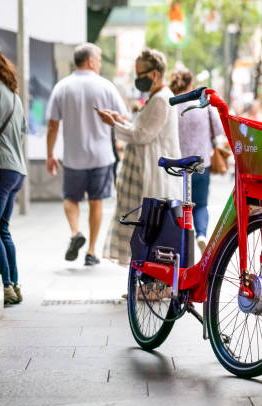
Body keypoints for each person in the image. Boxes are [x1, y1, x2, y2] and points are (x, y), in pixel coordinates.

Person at [98, 48, 182, 267]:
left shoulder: (162, 100)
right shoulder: (157, 98)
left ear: (154, 74)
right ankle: (145, 279)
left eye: (140, 73)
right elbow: (140, 129)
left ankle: (154, 281)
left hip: (155, 174)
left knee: (152, 228)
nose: (137, 79)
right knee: (146, 226)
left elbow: (142, 135)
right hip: (148, 170)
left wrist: (114, 124)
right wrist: (120, 121)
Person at [46, 43, 127, 266]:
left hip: (73, 157)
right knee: (96, 202)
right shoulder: (106, 86)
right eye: (99, 60)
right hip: (101, 157)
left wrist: (50, 154)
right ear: (91, 61)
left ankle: (75, 233)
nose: (99, 64)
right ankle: (91, 251)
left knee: (70, 199)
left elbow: (52, 125)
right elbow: (123, 117)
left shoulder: (62, 87)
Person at [169, 69, 224, 253]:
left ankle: (181, 243)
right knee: (200, 205)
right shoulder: (203, 105)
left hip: (177, 165)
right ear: (191, 85)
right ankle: (201, 234)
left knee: (178, 205)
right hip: (202, 163)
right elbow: (218, 129)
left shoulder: (172, 105)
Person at [0, 48, 28, 305]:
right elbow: (24, 130)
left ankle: (6, 286)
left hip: (1, 168)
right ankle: (14, 283)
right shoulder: (14, 96)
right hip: (18, 170)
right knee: (3, 229)